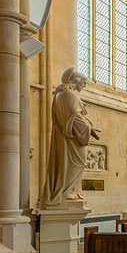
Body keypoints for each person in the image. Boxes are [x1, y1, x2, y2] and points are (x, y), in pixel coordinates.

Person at [40, 67, 100, 207]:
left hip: (65, 139)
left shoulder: (60, 94)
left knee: (71, 164)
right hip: (72, 139)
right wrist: (89, 129)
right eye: (84, 82)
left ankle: (68, 191)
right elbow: (75, 117)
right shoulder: (70, 95)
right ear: (76, 80)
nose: (84, 85)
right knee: (78, 163)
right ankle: (66, 193)